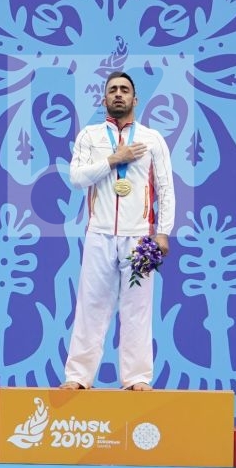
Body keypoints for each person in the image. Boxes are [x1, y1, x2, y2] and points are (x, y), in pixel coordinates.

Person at [63, 71, 175, 391]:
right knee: (91, 306)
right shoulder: (89, 136)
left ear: (135, 99)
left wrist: (163, 231)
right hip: (99, 233)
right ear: (104, 99)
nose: (118, 94)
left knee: (137, 308)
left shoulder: (153, 139)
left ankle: (137, 378)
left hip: (140, 236)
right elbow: (76, 178)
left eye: (125, 90)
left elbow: (165, 189)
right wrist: (114, 160)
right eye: (112, 90)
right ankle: (78, 377)